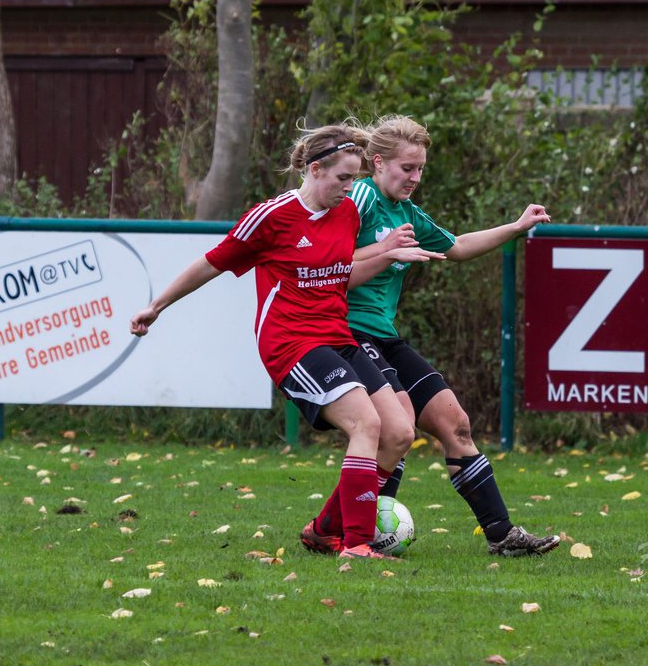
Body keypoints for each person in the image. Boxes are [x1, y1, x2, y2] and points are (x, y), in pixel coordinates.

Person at [131, 122, 439, 560]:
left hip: (337, 337)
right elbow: (210, 263)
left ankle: (324, 530)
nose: (350, 188)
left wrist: (387, 255)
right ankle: (355, 545)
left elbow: (341, 275)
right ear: (315, 170)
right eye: (343, 178)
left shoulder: (347, 213)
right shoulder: (271, 217)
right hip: (291, 345)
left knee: (398, 432)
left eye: (354, 178)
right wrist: (157, 305)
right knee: (365, 425)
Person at [299, 114, 560, 558]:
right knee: (395, 426)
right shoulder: (358, 197)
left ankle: (502, 536)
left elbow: (455, 248)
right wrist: (385, 252)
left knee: (454, 422)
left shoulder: (407, 212)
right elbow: (329, 267)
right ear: (377, 163)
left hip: (386, 335)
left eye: (420, 169)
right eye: (407, 168)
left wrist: (516, 227)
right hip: (347, 330)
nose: (415, 177)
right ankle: (341, 528)